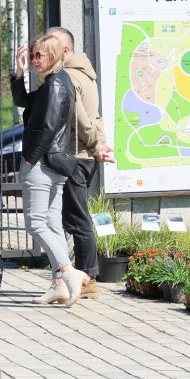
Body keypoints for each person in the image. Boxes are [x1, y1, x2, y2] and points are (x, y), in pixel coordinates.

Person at [12, 34, 91, 307]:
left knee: (35, 223)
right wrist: (18, 72)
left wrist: (29, 160)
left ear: (56, 55)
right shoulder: (54, 83)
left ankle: (68, 272)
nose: (35, 60)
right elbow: (24, 101)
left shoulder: (56, 84)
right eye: (32, 55)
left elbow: (45, 128)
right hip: (54, 164)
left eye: (39, 55)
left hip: (43, 164)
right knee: (52, 224)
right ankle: (59, 286)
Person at [48, 27, 116, 301]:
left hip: (77, 155)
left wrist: (95, 145)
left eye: (51, 47)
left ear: (65, 50)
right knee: (74, 217)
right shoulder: (86, 74)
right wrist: (98, 143)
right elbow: (95, 116)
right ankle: (75, 276)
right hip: (85, 155)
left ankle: (88, 278)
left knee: (77, 219)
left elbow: (81, 119)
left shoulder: (69, 76)